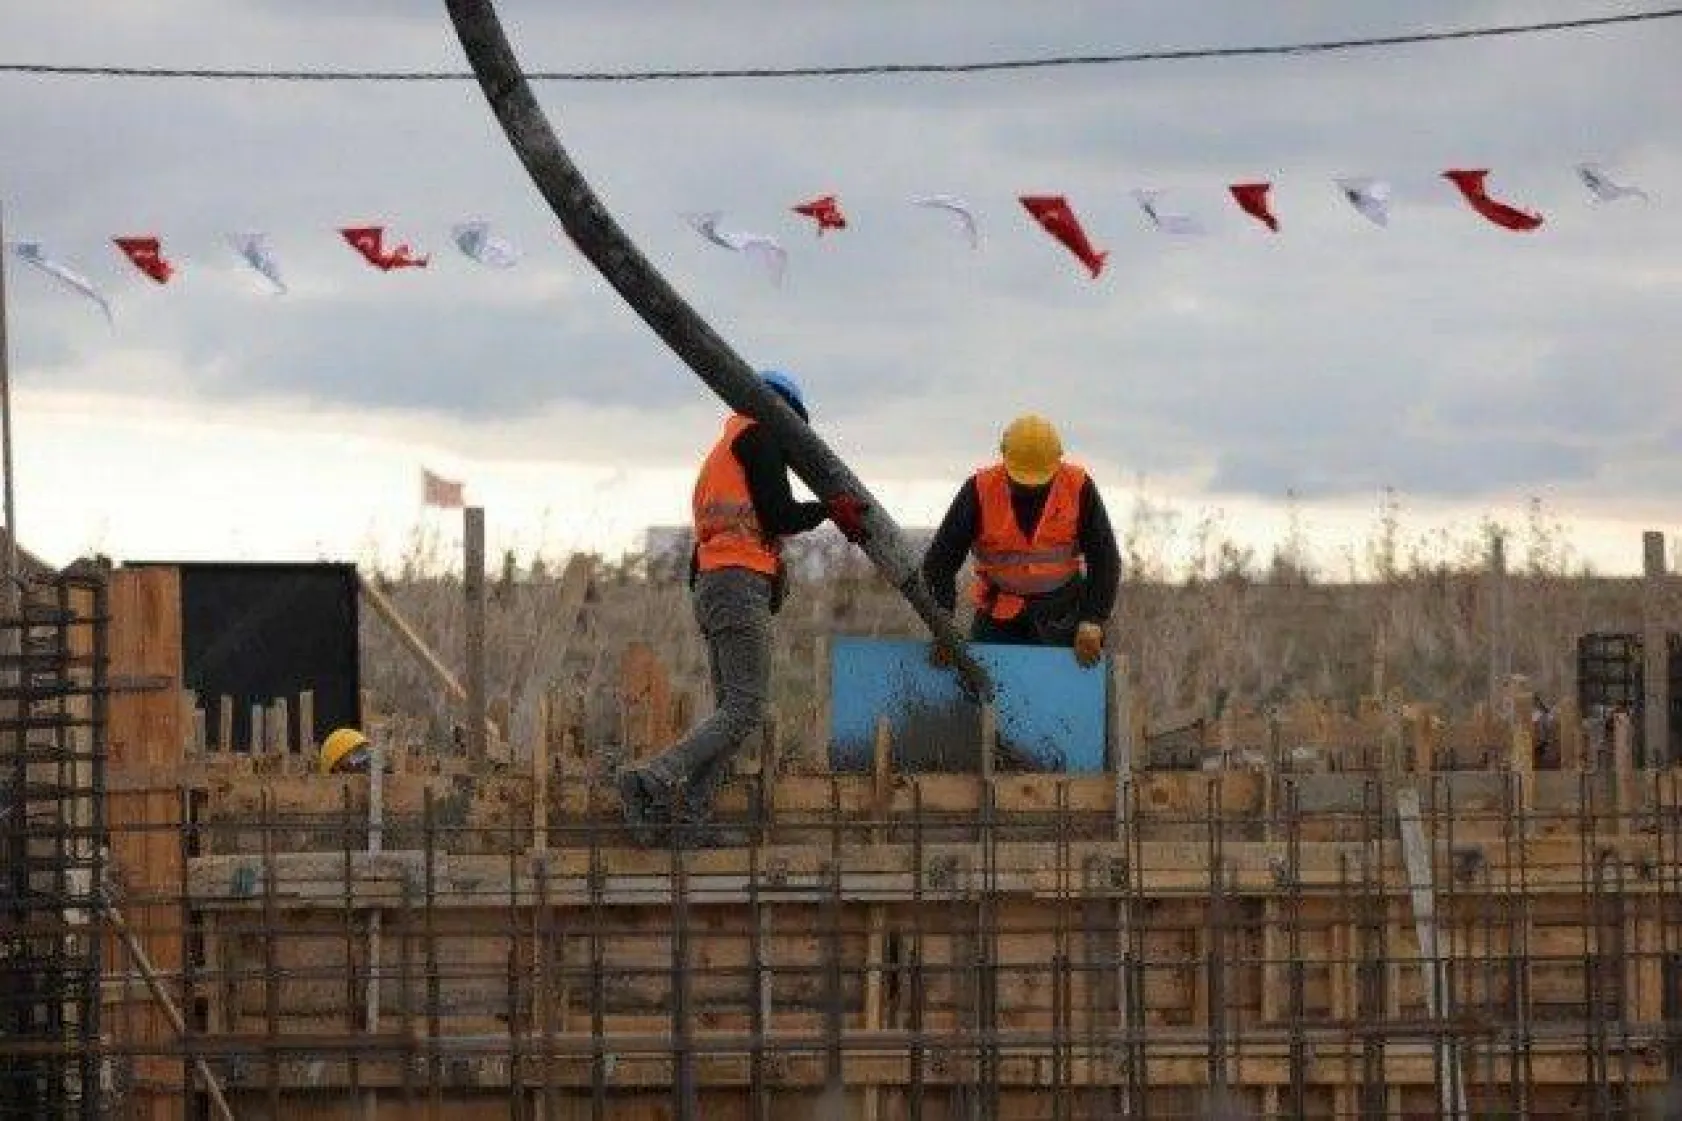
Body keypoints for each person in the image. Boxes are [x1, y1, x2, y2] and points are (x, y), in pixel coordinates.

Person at [618, 370, 867, 842]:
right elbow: (780, 514)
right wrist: (828, 509)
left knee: (733, 712)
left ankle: (687, 822)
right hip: (736, 583)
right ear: (786, 411)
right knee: (745, 708)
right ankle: (648, 780)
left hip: (714, 583)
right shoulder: (761, 436)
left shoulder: (725, 448)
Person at [921, 414, 1119, 667]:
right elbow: (939, 562)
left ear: (1058, 460)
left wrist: (1093, 619)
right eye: (1022, 479)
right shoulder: (979, 489)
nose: (1031, 488)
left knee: (1060, 698)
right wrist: (943, 623)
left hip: (1062, 618)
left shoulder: (1078, 487)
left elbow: (1105, 558)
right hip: (998, 617)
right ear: (1003, 457)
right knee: (986, 694)